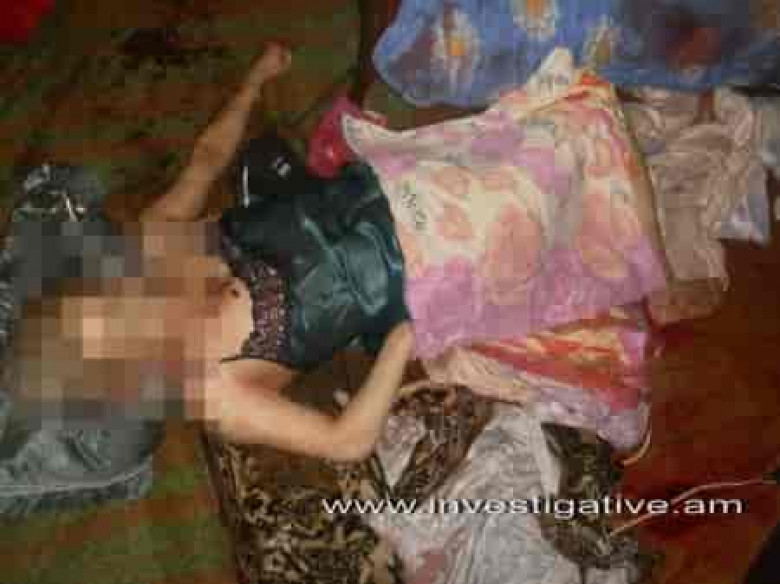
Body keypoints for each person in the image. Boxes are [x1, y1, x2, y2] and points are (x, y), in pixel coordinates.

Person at [8, 43, 415, 463]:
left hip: (347, 193)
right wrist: (405, 333)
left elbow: (207, 159)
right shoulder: (217, 396)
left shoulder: (149, 244)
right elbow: (344, 442)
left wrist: (254, 82)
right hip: (400, 267)